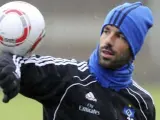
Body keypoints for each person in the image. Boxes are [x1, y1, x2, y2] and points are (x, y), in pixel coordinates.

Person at [0, 1, 156, 120]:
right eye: (106, 31)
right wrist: (8, 65)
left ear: (134, 47)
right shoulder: (64, 77)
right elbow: (15, 62)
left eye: (120, 36)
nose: (108, 40)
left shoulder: (142, 105)